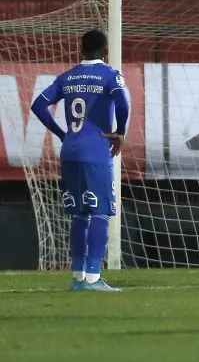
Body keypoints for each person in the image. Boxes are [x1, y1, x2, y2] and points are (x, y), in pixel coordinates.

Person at [30, 29, 130, 291]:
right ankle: (94, 278)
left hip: (70, 150)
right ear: (106, 50)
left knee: (80, 214)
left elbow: (38, 106)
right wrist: (120, 132)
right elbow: (123, 102)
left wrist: (63, 134)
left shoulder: (68, 76)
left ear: (80, 49)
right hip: (95, 151)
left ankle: (78, 277)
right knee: (100, 212)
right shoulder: (110, 74)